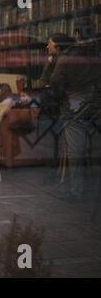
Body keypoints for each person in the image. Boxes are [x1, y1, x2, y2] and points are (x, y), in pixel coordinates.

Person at [49, 24, 101, 201]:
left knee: (75, 151)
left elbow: (55, 82)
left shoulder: (68, 57)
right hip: (97, 106)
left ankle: (77, 190)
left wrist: (61, 98)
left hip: (74, 107)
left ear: (77, 35)